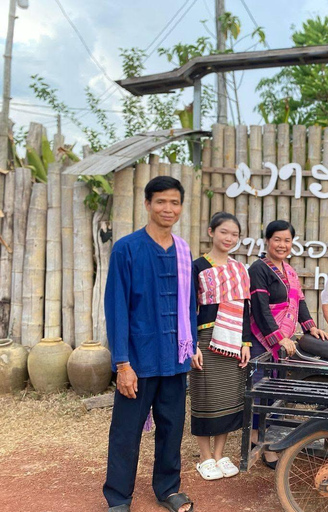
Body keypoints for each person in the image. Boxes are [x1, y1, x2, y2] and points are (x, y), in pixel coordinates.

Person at [103, 176, 200, 512]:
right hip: (139, 360)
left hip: (174, 360)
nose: (168, 208)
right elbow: (116, 309)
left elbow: (189, 305)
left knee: (172, 428)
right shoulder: (127, 249)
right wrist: (123, 364)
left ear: (181, 207)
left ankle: (168, 488)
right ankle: (118, 497)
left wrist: (192, 346)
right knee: (126, 431)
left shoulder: (184, 251)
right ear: (147, 204)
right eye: (161, 201)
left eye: (174, 202)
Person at [248, 219, 328, 468]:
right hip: (262, 341)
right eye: (277, 239)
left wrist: (310, 327)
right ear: (267, 241)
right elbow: (260, 309)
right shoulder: (258, 269)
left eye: (287, 240)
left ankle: (268, 438)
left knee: (277, 393)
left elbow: (299, 302)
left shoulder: (290, 271)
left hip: (282, 345)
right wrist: (278, 337)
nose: (282, 244)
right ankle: (257, 440)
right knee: (261, 392)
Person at [189, 212, 253, 481]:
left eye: (234, 234)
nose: (229, 238)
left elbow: (246, 308)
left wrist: (246, 343)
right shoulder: (197, 266)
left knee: (229, 397)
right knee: (206, 396)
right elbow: (189, 307)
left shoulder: (240, 269)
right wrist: (192, 345)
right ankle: (205, 457)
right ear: (211, 232)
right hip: (205, 339)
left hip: (233, 340)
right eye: (224, 232)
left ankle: (219, 454)